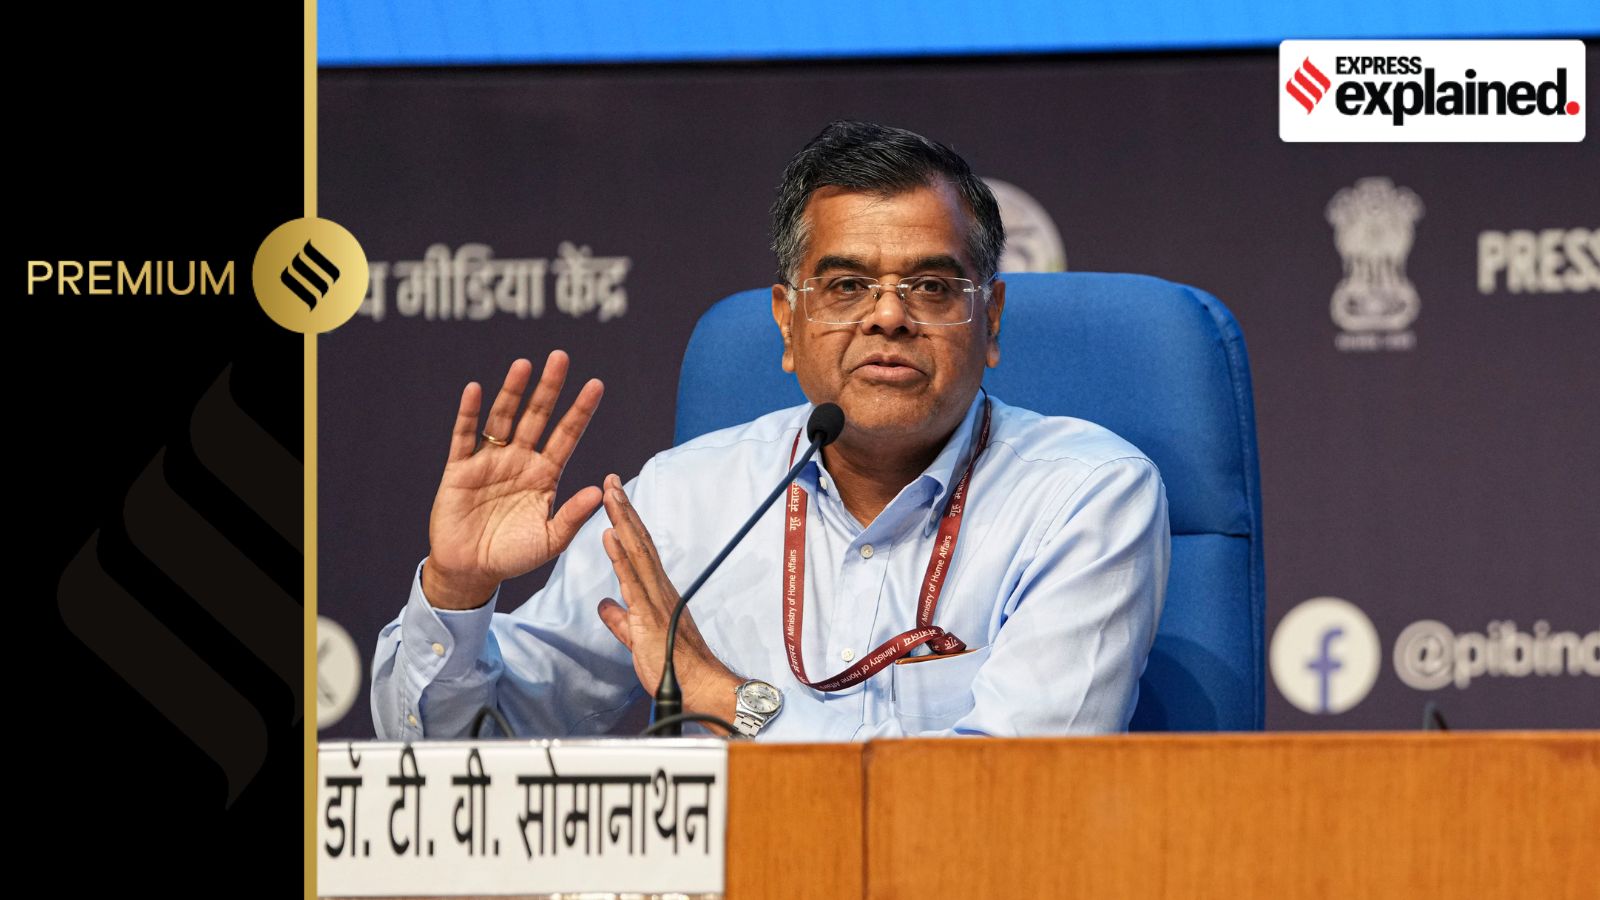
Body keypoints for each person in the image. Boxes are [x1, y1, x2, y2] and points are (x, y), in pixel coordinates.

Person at [370, 120, 1170, 741]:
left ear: (987, 320)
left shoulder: (1084, 494)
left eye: (930, 285)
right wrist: (459, 592)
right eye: (848, 284)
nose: (889, 316)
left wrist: (727, 701)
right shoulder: (686, 502)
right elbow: (469, 745)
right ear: (789, 325)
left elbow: (1019, 786)